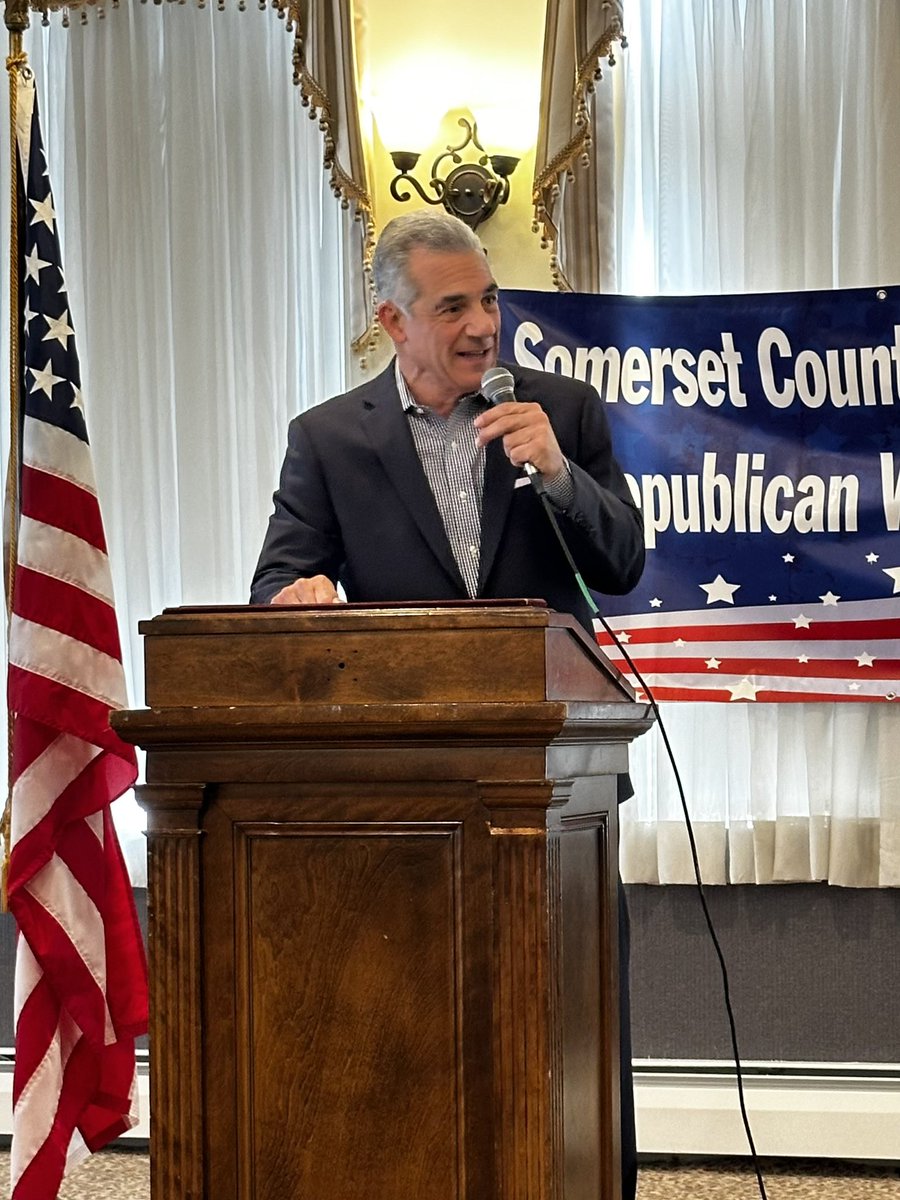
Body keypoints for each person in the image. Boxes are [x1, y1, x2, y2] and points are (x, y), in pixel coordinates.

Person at [251, 209, 645, 1197]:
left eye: (491, 300)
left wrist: (556, 473)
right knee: (418, 1029)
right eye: (453, 306)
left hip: (559, 791)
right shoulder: (331, 440)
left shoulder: (562, 411)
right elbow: (278, 582)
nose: (483, 325)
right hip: (406, 796)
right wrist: (297, 602)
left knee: (572, 1021)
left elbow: (625, 562)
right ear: (394, 320)